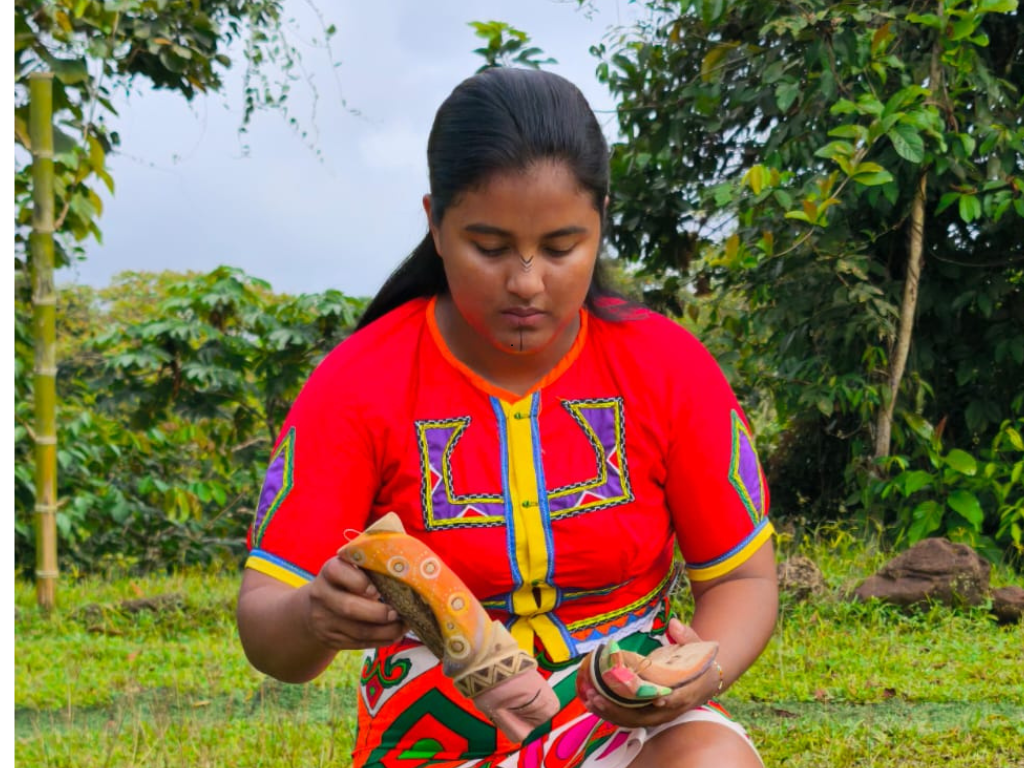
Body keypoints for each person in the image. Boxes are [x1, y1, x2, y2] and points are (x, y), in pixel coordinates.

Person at [236, 67, 778, 768]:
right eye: (489, 248)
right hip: (430, 741)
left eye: (560, 247)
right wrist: (314, 613)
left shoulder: (668, 367)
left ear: (601, 221)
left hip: (630, 725)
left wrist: (702, 671)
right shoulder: (356, 384)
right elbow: (267, 628)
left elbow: (740, 580)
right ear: (435, 224)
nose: (526, 282)